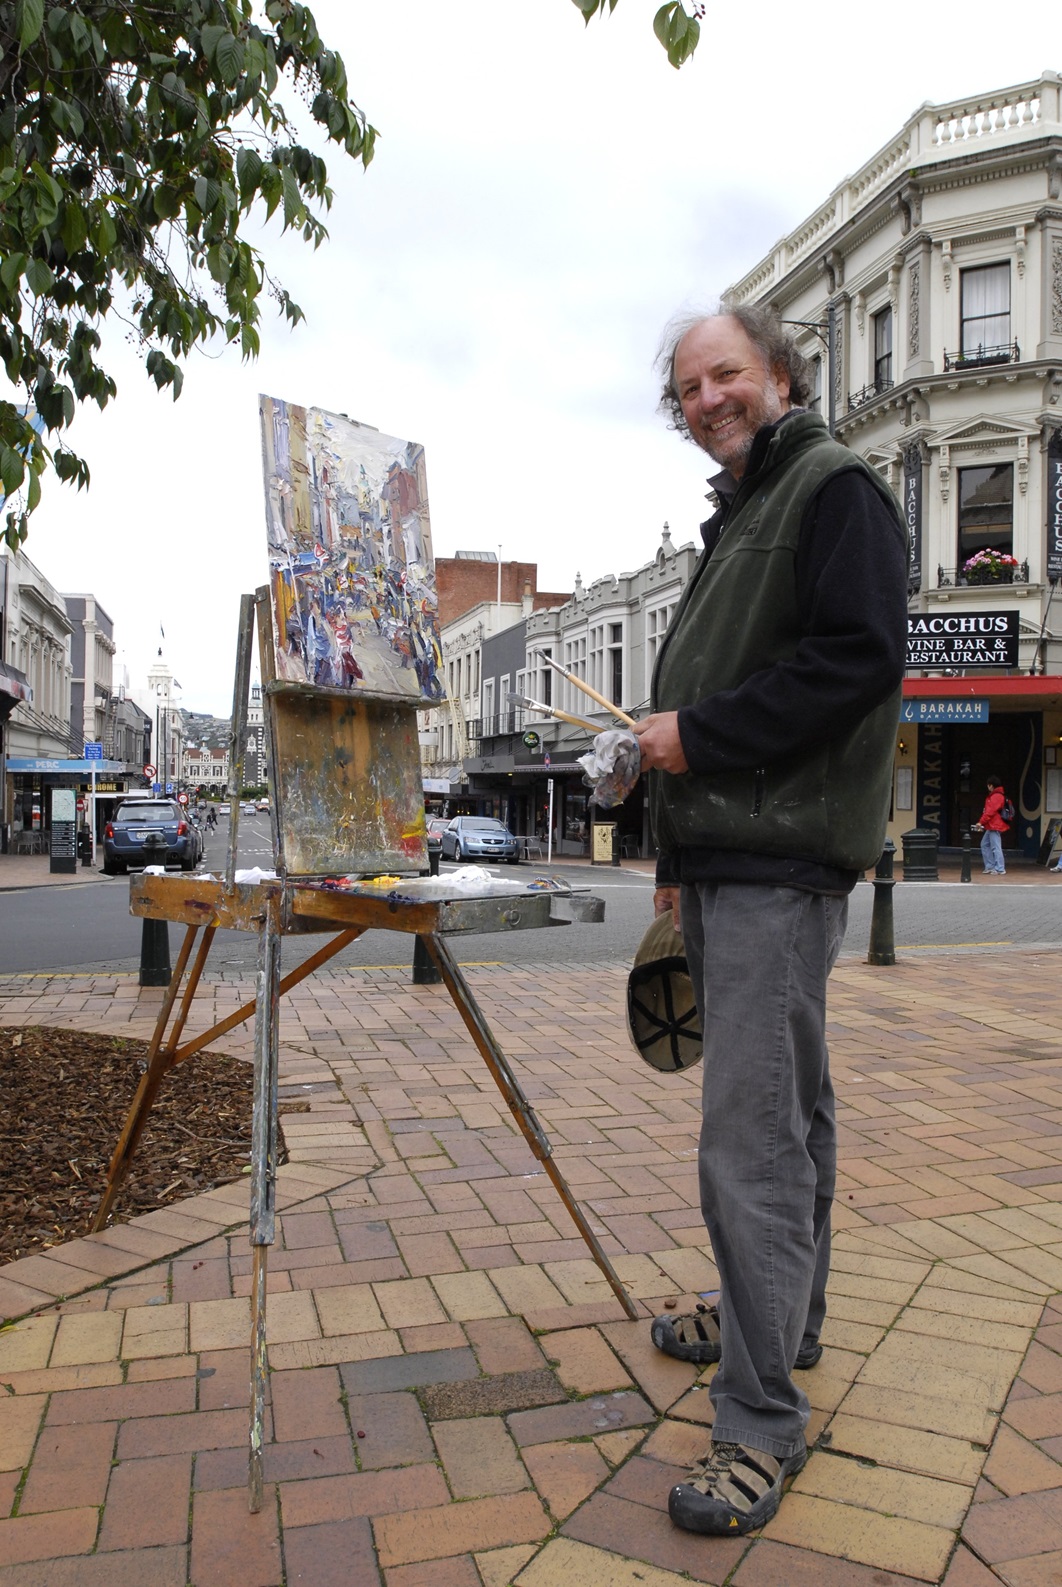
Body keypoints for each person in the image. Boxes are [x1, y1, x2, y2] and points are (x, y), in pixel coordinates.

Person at [632, 304, 908, 1537]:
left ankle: (757, 1422)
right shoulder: (743, 509)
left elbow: (857, 659)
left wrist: (693, 738)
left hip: (781, 862)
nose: (705, 401)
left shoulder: (834, 487)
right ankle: (779, 1322)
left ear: (779, 375)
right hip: (733, 858)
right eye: (687, 388)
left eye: (724, 375)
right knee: (788, 1114)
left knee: (749, 1144)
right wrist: (671, 855)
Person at [973, 776, 1009, 875]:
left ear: (991, 786)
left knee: (995, 846)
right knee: (985, 844)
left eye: (988, 785)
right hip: (992, 825)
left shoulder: (996, 796)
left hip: (994, 825)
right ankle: (990, 866)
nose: (987, 787)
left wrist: (981, 822)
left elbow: (990, 812)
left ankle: (999, 868)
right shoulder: (997, 795)